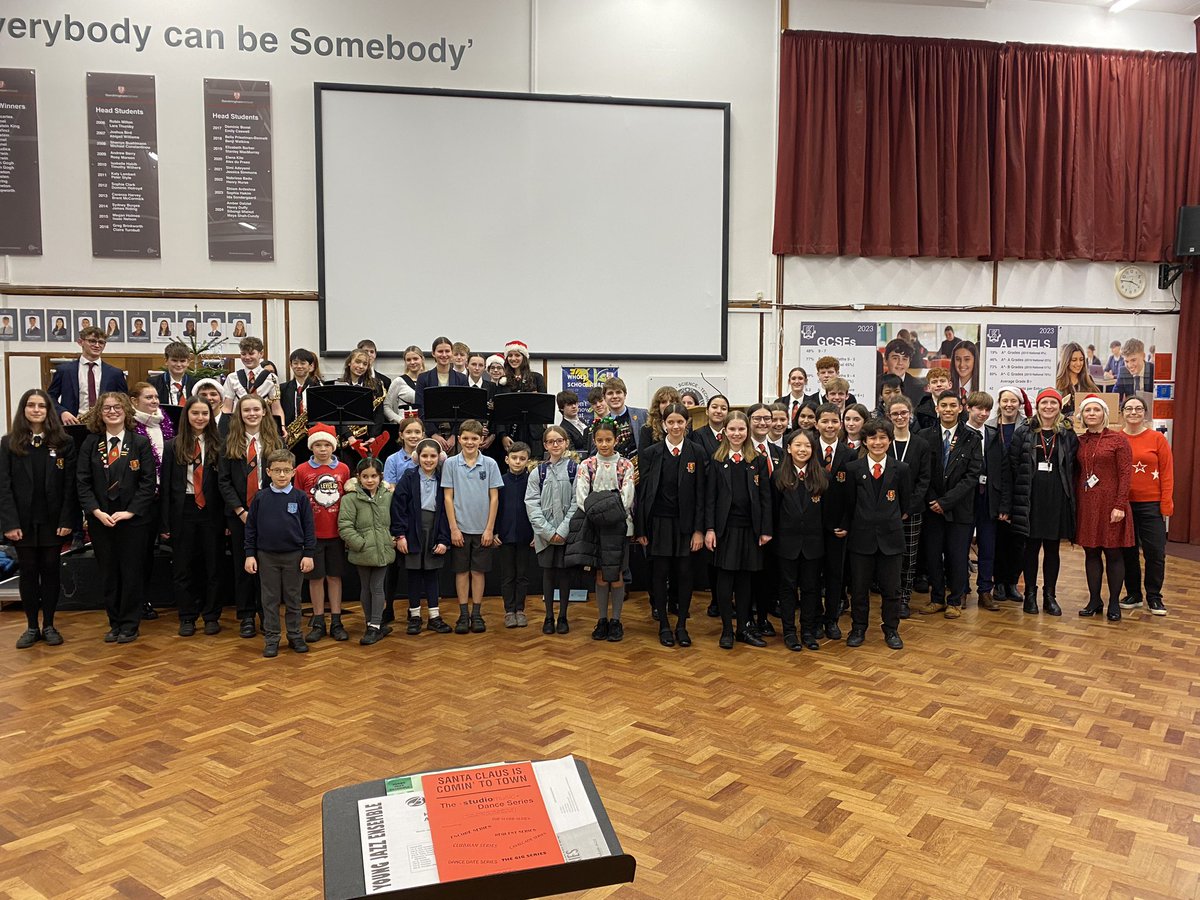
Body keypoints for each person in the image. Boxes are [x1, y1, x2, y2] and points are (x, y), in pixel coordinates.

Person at [76, 392, 157, 643]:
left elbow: (147, 482)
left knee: (131, 572)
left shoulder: (139, 443)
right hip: (102, 521)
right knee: (109, 573)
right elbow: (82, 482)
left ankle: (130, 624)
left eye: (117, 407)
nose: (112, 411)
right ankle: (115, 622)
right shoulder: (91, 443)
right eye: (107, 408)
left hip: (132, 521)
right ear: (100, 413)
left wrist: (129, 511)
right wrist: (96, 512)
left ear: (126, 410)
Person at [0, 389, 77, 648]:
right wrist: (9, 524)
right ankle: (32, 626)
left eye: (41, 406)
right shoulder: (9, 443)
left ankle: (50, 625)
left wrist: (67, 520)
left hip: (54, 522)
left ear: (48, 410)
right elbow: (4, 486)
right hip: (22, 523)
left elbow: (70, 487)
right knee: (29, 573)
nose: (36, 410)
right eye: (31, 405)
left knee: (51, 571)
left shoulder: (64, 443)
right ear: (23, 410)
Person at [999, 388, 1076, 617]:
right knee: (1030, 548)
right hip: (1029, 496)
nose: (1049, 407)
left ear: (1059, 406)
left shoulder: (1067, 433)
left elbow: (1074, 467)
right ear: (1038, 405)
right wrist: (1009, 504)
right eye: (1045, 403)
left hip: (1057, 497)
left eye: (1053, 403)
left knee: (1052, 548)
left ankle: (1049, 596)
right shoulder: (1024, 431)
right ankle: (1030, 595)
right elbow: (1011, 468)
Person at [635, 404, 706, 648]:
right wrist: (641, 529)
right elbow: (643, 494)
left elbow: (701, 495)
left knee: (685, 574)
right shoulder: (651, 453)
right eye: (671, 422)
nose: (676, 427)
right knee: (659, 573)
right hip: (658, 524)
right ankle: (664, 624)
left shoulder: (696, 452)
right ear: (664, 424)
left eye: (680, 422)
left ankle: (681, 626)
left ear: (687, 423)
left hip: (686, 526)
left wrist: (698, 529)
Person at [703, 411, 772, 650]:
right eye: (732, 429)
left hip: (750, 530)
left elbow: (766, 498)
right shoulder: (715, 460)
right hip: (725, 530)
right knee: (725, 579)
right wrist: (710, 528)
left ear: (748, 432)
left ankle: (743, 628)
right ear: (725, 432)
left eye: (741, 429)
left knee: (745, 580)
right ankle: (726, 630)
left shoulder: (758, 460)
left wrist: (765, 529)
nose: (737, 434)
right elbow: (709, 499)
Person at [218, 394, 283, 638]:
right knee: (242, 566)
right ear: (239, 414)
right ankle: (246, 616)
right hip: (240, 516)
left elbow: (283, 477)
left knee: (267, 568)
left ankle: (267, 615)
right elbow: (223, 481)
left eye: (256, 409)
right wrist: (240, 511)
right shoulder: (229, 443)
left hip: (269, 516)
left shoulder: (275, 442)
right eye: (247, 410)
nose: (252, 414)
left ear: (265, 412)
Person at [159, 395, 225, 637]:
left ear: (211, 416)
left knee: (213, 567)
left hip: (212, 512)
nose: (200, 418)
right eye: (195, 413)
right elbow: (165, 487)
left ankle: (211, 616)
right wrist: (164, 522)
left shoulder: (220, 445)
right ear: (187, 416)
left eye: (205, 414)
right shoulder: (173, 445)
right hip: (183, 510)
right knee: (183, 568)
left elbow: (225, 485)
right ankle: (187, 616)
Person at [566, 418, 636, 642]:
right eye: (600, 440)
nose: (604, 444)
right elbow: (581, 497)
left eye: (608, 440)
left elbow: (626, 497)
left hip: (619, 526)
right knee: (599, 573)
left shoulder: (626, 465)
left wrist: (609, 511)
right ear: (594, 440)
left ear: (616, 440)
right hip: (593, 525)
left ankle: (616, 620)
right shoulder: (586, 464)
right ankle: (602, 619)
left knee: (615, 573)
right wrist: (599, 512)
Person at [915, 392, 981, 620]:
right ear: (937, 408)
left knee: (957, 556)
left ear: (960, 408)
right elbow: (922, 474)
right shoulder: (924, 436)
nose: (948, 409)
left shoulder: (972, 438)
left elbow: (971, 477)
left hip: (959, 508)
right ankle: (937, 598)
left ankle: (955, 600)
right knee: (933, 555)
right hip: (931, 509)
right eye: (944, 405)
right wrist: (934, 501)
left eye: (953, 405)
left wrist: (946, 502)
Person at [844, 418, 909, 649]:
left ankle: (891, 629)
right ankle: (858, 628)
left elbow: (905, 503)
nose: (877, 442)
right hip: (861, 539)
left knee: (892, 589)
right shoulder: (853, 469)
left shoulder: (901, 469)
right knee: (859, 589)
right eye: (872, 437)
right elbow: (849, 504)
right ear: (864, 441)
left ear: (890, 441)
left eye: (883, 437)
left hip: (891, 539)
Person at [244, 450, 315, 657]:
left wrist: (308, 553)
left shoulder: (300, 498)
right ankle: (272, 638)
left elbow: (309, 528)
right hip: (267, 557)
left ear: (293, 472)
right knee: (270, 599)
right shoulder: (260, 497)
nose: (282, 475)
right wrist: (250, 554)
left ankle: (295, 636)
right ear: (268, 472)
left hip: (294, 555)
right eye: (277, 471)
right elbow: (251, 528)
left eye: (286, 470)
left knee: (293, 598)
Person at [1073, 395, 1134, 621]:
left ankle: (1114, 602)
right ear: (1082, 415)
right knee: (1091, 552)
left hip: (1111, 505)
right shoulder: (1079, 441)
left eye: (1096, 410)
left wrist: (1120, 505)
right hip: (1088, 504)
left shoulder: (1118, 440)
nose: (1091, 414)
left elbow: (1126, 475)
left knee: (1113, 552)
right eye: (1087, 410)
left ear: (1104, 414)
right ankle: (1094, 600)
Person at [442, 419, 503, 633]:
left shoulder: (490, 464)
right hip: (459, 528)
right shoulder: (450, 464)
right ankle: (463, 614)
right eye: (465, 438)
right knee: (461, 572)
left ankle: (477, 614)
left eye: (474, 438)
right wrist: (453, 529)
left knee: (478, 572)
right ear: (459, 439)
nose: (469, 442)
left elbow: (494, 498)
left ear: (481, 440)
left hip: (482, 530)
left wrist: (489, 528)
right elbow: (448, 498)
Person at [293, 423, 351, 642]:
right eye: (318, 444)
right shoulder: (301, 470)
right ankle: (318, 620)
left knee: (334, 577)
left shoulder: (343, 469)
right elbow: (297, 502)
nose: (323, 449)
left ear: (333, 446)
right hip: (312, 535)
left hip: (337, 533)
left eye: (327, 444)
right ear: (311, 447)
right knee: (315, 578)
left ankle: (336, 620)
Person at [772, 428, 828, 651]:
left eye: (807, 446)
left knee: (811, 588)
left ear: (813, 450)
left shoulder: (822, 476)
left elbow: (826, 514)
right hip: (786, 544)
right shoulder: (778, 476)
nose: (802, 449)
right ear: (788, 448)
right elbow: (774, 512)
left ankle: (807, 630)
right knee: (787, 589)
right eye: (797, 445)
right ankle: (789, 632)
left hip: (813, 545)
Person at [391, 438, 453, 634]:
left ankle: (434, 616)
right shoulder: (408, 478)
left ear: (439, 458)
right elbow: (398, 508)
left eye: (433, 456)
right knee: (414, 574)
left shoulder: (444, 479)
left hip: (434, 530)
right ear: (418, 458)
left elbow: (446, 512)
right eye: (424, 456)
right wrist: (400, 535)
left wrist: (444, 539)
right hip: (412, 531)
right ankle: (415, 615)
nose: (428, 460)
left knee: (432, 574)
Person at [1118, 395, 1173, 615]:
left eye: (1138, 408)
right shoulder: (1116, 438)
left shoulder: (1157, 439)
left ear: (1144, 413)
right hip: (1124, 505)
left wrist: (1166, 503)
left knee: (1155, 552)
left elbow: (1167, 473)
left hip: (1151, 504)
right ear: (1122, 412)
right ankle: (1134, 593)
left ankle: (1154, 596)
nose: (1133, 412)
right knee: (1127, 552)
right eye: (1129, 408)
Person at [525, 426, 579, 635]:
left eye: (559, 441)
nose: (555, 445)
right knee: (548, 574)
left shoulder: (575, 469)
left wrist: (563, 530)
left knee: (565, 575)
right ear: (545, 445)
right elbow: (531, 504)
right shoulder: (538, 472)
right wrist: (548, 532)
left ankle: (563, 616)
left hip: (566, 533)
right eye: (551, 442)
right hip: (545, 536)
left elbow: (577, 502)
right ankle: (548, 616)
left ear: (566, 443)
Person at [338, 455, 396, 645]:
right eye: (365, 476)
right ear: (358, 477)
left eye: (373, 476)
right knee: (366, 587)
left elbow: (396, 519)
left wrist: (392, 539)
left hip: (383, 550)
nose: (369, 480)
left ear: (380, 477)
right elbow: (345, 525)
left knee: (377, 587)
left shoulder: (388, 496)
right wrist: (360, 544)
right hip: (362, 551)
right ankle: (371, 622)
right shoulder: (350, 499)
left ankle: (375, 626)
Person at [885, 395, 931, 619]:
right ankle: (888, 596)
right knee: (886, 556)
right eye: (895, 414)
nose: (900, 417)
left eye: (904, 413)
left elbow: (924, 480)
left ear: (910, 414)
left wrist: (908, 508)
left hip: (910, 511)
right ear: (888, 416)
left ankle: (903, 598)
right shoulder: (882, 441)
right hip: (884, 510)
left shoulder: (921, 443)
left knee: (908, 557)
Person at [814, 403, 853, 638]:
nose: (830, 426)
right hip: (812, 526)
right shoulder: (808, 449)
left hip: (838, 526)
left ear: (840, 424)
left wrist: (847, 523)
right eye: (825, 421)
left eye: (834, 421)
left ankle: (832, 619)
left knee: (834, 575)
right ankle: (816, 618)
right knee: (812, 575)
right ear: (816, 424)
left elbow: (852, 495)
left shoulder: (849, 453)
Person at [963, 391, 1002, 611]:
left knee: (988, 547)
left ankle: (985, 590)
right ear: (969, 408)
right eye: (978, 408)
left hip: (988, 499)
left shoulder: (993, 433)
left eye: (987, 409)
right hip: (965, 499)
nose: (983, 413)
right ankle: (960, 590)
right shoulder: (959, 433)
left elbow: (1001, 468)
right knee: (961, 548)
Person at [991, 386, 1030, 602]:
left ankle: (1013, 583)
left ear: (1019, 404)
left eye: (1013, 401)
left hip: (1022, 491)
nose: (1009, 405)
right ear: (999, 403)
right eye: (1005, 401)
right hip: (996, 492)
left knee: (1018, 542)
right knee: (998, 540)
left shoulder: (1027, 427)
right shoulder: (989, 426)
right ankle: (998, 584)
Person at [47, 326, 128, 425]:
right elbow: (50, 397)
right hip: (73, 424)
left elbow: (124, 401)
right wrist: (62, 412)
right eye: (92, 341)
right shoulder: (64, 370)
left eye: (101, 342)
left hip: (105, 426)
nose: (97, 345)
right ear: (80, 342)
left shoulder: (115, 374)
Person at [493, 441, 534, 628]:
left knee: (523, 575)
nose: (518, 462)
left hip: (526, 535)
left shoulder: (532, 481)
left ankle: (520, 609)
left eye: (522, 459)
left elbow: (536, 508)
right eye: (514, 458)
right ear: (506, 459)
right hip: (505, 535)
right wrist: (494, 531)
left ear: (527, 461)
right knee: (508, 575)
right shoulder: (500, 481)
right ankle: (509, 610)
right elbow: (494, 509)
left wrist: (536, 533)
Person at [494, 340, 548, 452]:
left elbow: (544, 407)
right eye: (510, 355)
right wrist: (503, 435)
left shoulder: (537, 378)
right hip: (511, 434)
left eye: (517, 355)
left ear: (524, 357)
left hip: (533, 433)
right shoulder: (503, 381)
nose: (513, 359)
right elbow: (499, 411)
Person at [415, 336, 468, 449]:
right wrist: (433, 434)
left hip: (455, 435)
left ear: (452, 353)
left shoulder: (462, 379)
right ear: (433, 353)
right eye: (440, 351)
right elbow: (420, 407)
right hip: (431, 433)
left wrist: (455, 435)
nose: (444, 355)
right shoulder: (423, 378)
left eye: (447, 351)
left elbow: (464, 410)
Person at [222, 336, 284, 418]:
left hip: (263, 423)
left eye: (251, 354)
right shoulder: (232, 377)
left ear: (261, 354)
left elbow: (276, 408)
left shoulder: (271, 378)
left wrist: (281, 426)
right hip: (238, 424)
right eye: (243, 354)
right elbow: (227, 407)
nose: (247, 357)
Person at [280, 349, 322, 437]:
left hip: (313, 434)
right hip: (290, 435)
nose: (299, 366)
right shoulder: (282, 389)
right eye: (295, 363)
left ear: (311, 366)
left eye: (303, 363)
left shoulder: (319, 388)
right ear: (291, 365)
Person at [1055, 341, 1100, 419]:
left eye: (1081, 359)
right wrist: (1069, 416)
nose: (1079, 363)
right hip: (1065, 428)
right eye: (1074, 360)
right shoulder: (1057, 383)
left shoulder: (1088, 380)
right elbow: (1053, 414)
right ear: (1067, 361)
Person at [382, 345, 424, 423]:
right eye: (408, 360)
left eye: (415, 359)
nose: (412, 362)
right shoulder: (399, 381)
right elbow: (386, 407)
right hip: (405, 429)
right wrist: (400, 420)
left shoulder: (429, 379)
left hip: (426, 429)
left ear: (422, 359)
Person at [383, 417, 428, 488]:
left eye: (417, 432)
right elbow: (391, 488)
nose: (413, 436)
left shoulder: (428, 458)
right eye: (408, 432)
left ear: (422, 435)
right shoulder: (392, 460)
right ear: (401, 435)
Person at [149, 342, 196, 407]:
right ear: (166, 361)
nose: (179, 365)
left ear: (188, 362)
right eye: (174, 360)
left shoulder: (195, 384)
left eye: (182, 361)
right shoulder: (153, 383)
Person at [882, 338, 926, 406]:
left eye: (904, 359)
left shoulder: (919, 387)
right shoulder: (875, 384)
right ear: (885, 360)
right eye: (895, 358)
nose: (900, 363)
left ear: (909, 362)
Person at [690, 393, 729, 458]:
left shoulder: (731, 434)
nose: (719, 411)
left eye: (723, 408)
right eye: (714, 407)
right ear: (707, 411)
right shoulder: (698, 434)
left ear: (728, 413)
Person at [915, 366, 952, 431]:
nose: (939, 385)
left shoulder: (959, 408)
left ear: (950, 385)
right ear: (928, 387)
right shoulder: (920, 412)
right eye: (934, 382)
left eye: (942, 381)